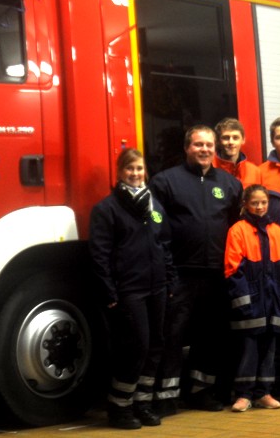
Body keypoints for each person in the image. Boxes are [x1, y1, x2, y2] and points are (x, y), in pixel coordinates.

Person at [150, 126, 242, 415]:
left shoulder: (229, 184)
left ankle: (202, 392)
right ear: (187, 147)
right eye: (198, 144)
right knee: (172, 334)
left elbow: (232, 227)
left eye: (209, 145)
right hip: (179, 273)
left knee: (211, 336)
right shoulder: (166, 182)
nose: (204, 149)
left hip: (215, 274)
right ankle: (166, 396)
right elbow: (155, 230)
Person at [89, 148, 174, 429]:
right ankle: (119, 408)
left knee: (155, 346)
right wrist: (110, 294)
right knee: (136, 346)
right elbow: (99, 255)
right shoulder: (107, 209)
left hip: (157, 287)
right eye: (130, 169)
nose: (135, 174)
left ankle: (143, 404)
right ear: (119, 172)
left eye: (139, 169)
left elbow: (164, 244)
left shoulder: (154, 206)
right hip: (129, 290)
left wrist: (169, 279)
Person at [225, 185, 280, 412]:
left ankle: (263, 392)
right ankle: (243, 395)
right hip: (251, 302)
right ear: (246, 204)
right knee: (248, 349)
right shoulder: (238, 230)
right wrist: (244, 301)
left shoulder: (278, 231)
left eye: (263, 202)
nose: (259, 207)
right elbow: (233, 270)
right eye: (254, 203)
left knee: (269, 350)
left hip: (273, 302)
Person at [213, 117, 261, 188]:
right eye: (226, 138)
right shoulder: (209, 168)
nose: (231, 142)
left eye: (235, 138)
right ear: (218, 141)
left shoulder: (255, 172)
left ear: (243, 140)